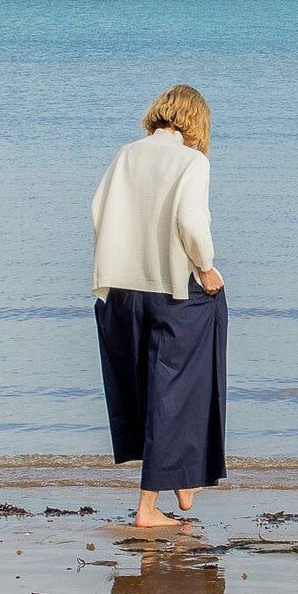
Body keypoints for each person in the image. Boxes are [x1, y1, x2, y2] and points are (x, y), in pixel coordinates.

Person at [91, 84, 227, 529]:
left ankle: (182, 479)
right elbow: (190, 220)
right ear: (196, 121)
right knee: (179, 386)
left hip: (121, 291)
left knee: (148, 388)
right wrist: (205, 268)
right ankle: (150, 508)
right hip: (172, 293)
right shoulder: (193, 161)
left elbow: (97, 211)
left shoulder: (127, 154)